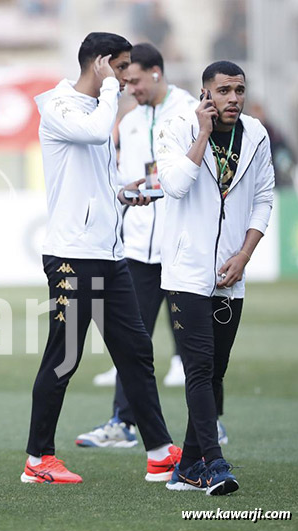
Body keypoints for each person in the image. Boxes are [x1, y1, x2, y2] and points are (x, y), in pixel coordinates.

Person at [24, 33, 180, 485]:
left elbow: (92, 175)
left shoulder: (96, 109)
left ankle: (158, 451)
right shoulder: (59, 105)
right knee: (64, 357)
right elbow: (93, 134)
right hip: (72, 256)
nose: (128, 75)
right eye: (121, 65)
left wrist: (121, 193)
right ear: (99, 63)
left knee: (136, 352)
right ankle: (38, 460)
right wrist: (111, 90)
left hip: (109, 256)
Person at [155, 61, 274, 495]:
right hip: (186, 272)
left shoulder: (257, 134)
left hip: (230, 273)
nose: (234, 99)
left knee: (215, 371)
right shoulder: (176, 127)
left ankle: (186, 467)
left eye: (239, 90)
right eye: (224, 91)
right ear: (205, 94)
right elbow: (174, 185)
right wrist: (202, 135)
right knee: (200, 368)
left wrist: (244, 254)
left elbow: (263, 197)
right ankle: (214, 463)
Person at [76, 43, 199, 448]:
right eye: (124, 82)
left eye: (135, 80)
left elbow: (195, 175)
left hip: (183, 244)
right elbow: (125, 179)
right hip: (139, 248)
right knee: (131, 341)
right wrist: (128, 196)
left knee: (199, 343)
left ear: (157, 73)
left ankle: (209, 424)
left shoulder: (189, 112)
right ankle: (122, 423)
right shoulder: (127, 121)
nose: (129, 88)